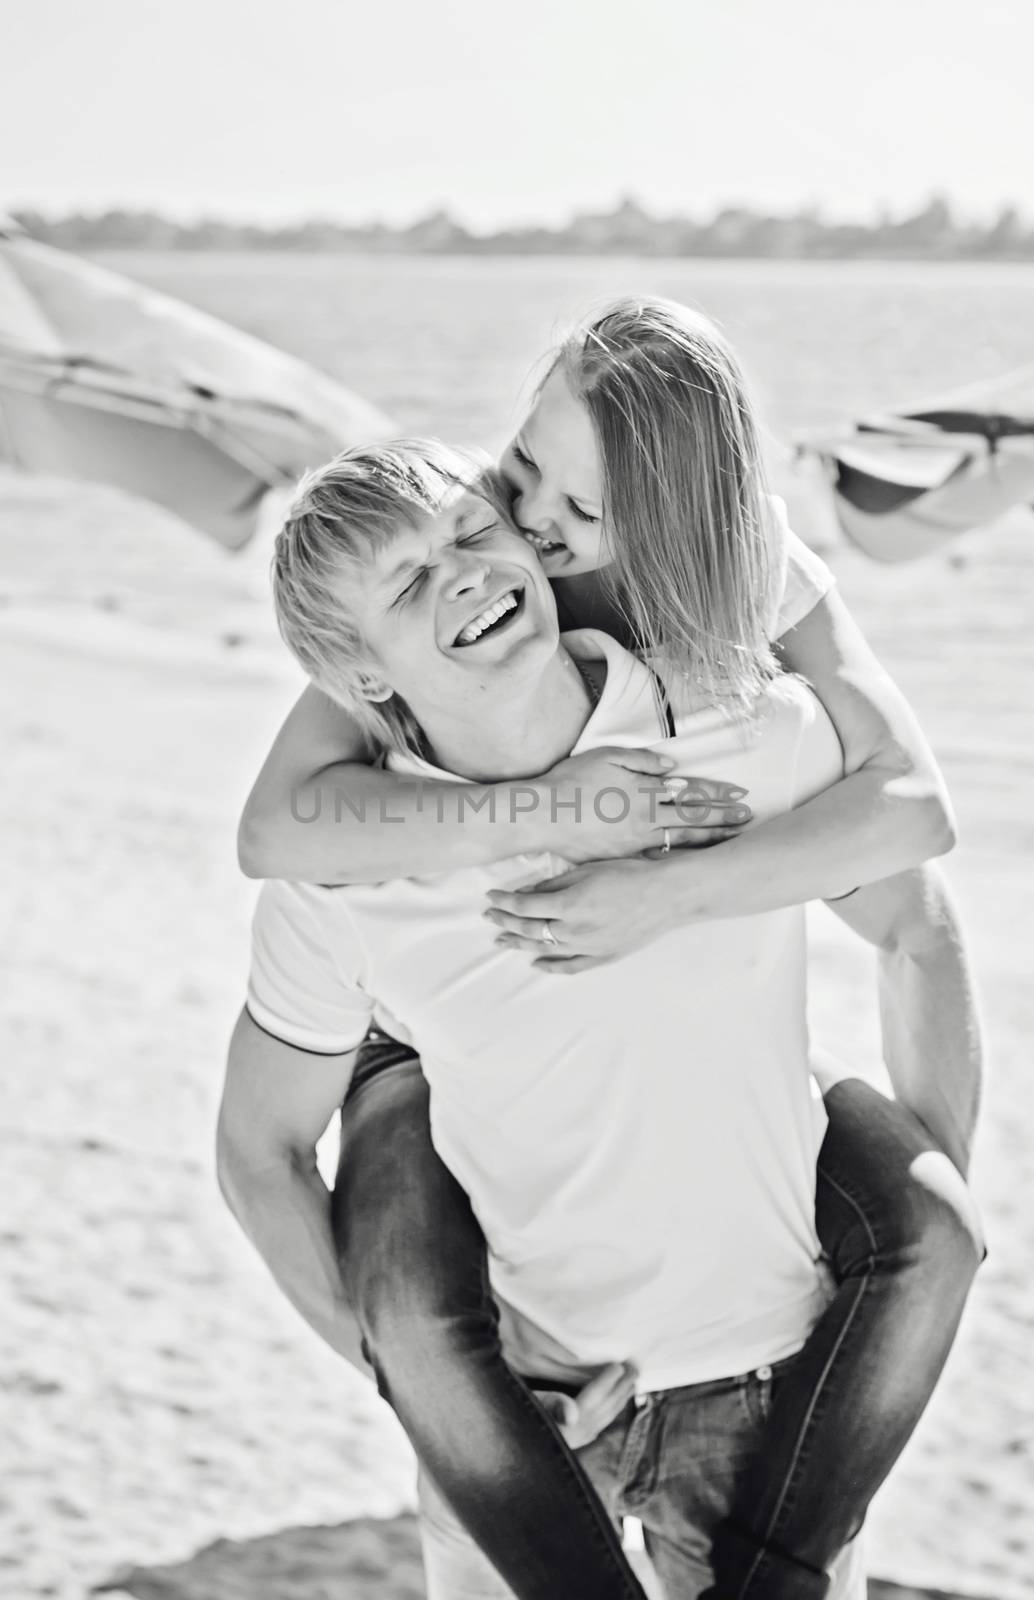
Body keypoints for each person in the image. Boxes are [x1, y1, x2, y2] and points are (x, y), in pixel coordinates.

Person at [225, 302, 983, 1595]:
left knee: (929, 1228)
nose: (504, 539)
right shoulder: (348, 848)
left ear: (662, 532)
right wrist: (408, 1378)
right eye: (515, 479)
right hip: (527, 1377)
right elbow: (261, 1135)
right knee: (406, 1218)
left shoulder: (742, 708)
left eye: (507, 523)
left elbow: (911, 856)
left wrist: (673, 893)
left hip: (755, 1375)